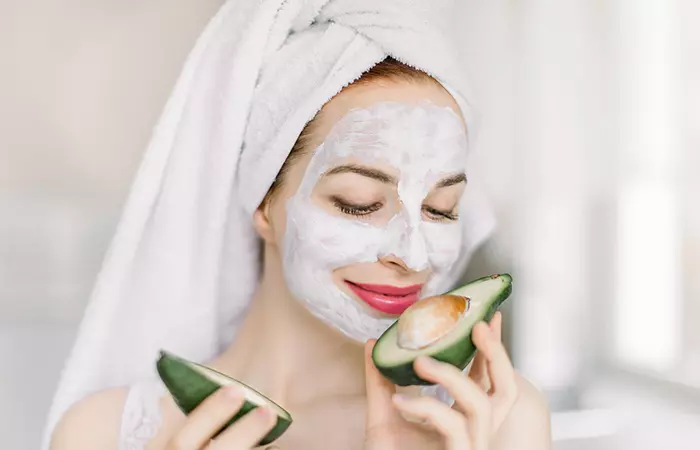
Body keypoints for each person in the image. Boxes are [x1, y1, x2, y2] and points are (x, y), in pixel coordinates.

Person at [44, 1, 552, 449]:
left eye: (441, 209)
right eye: (359, 203)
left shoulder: (495, 421)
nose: (414, 256)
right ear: (264, 203)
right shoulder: (102, 434)